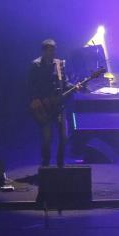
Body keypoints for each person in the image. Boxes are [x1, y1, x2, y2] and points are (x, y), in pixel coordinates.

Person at [28, 39, 71, 167]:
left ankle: (60, 163)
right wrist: (38, 100)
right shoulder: (35, 65)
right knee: (47, 139)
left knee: (64, 137)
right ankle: (46, 164)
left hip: (59, 106)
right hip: (44, 107)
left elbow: (64, 83)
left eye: (54, 50)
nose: (53, 52)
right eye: (50, 50)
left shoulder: (59, 64)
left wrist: (76, 86)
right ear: (44, 51)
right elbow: (30, 86)